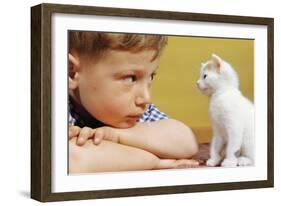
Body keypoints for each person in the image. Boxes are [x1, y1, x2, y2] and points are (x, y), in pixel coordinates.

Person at [68, 31, 199, 174]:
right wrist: (154, 161)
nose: (145, 98)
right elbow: (72, 160)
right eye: (130, 78)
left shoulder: (131, 112)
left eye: (151, 77)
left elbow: (186, 143)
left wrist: (115, 136)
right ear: (72, 72)